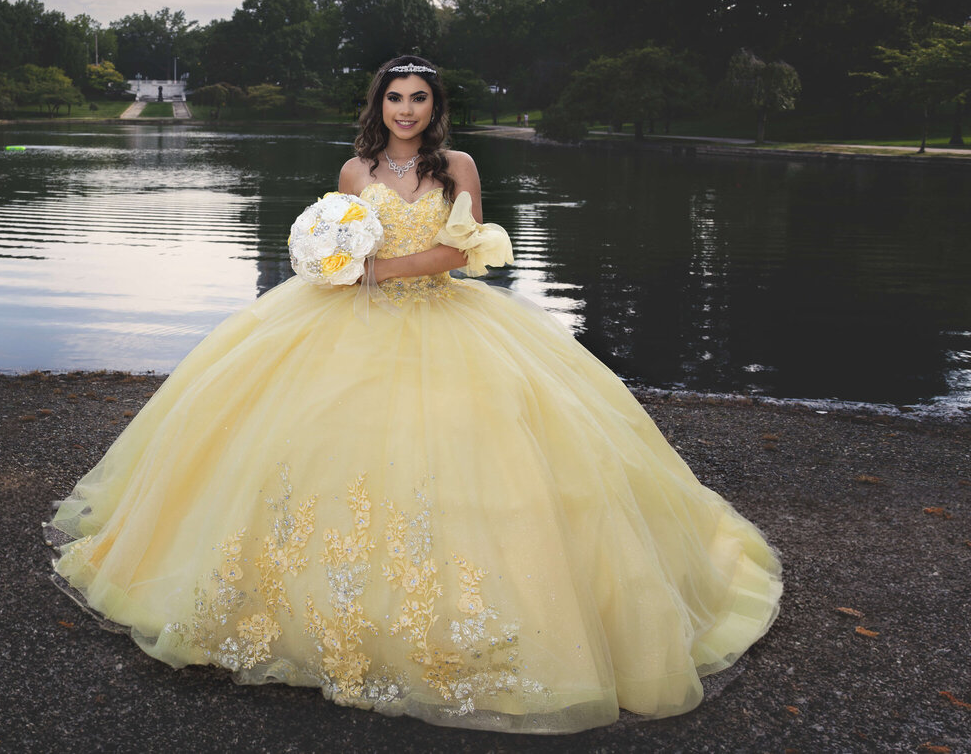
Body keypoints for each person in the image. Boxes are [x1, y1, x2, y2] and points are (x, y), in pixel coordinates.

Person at [47, 55, 782, 733]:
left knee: (476, 452)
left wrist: (381, 272)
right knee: (313, 448)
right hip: (350, 322)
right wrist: (337, 267)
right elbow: (337, 246)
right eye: (395, 99)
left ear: (435, 107)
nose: (406, 110)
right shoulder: (353, 168)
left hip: (440, 313)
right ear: (380, 106)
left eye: (418, 99)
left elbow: (458, 252)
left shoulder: (457, 165)